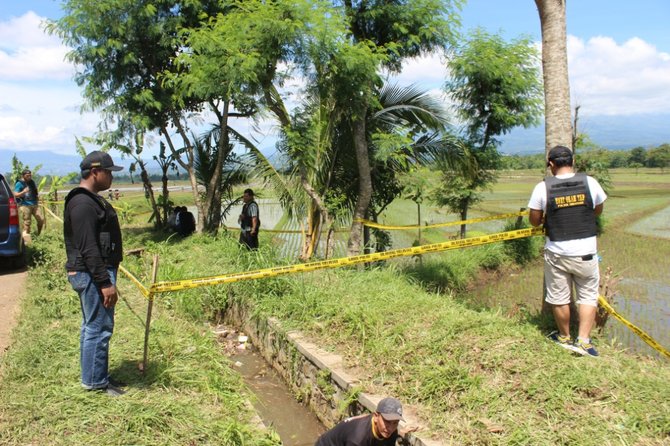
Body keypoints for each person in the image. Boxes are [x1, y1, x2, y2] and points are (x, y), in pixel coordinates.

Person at [528, 145, 607, 357]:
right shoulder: (590, 182)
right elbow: (597, 209)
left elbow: (534, 221)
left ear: (551, 164)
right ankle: (583, 341)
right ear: (572, 161)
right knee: (588, 296)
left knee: (559, 296)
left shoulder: (543, 187)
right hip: (587, 252)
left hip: (558, 252)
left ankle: (563, 337)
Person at [63, 151, 126, 396]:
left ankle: (95, 376)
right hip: (92, 274)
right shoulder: (82, 203)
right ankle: (95, 383)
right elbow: (88, 247)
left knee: (94, 325)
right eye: (109, 172)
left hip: (95, 273)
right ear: (95, 172)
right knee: (99, 327)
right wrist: (105, 282)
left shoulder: (91, 200)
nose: (111, 177)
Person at [315, 397, 409, 446]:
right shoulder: (357, 439)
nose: (390, 428)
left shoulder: (391, 432)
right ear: (376, 416)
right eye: (387, 422)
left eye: (395, 423)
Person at [13, 169, 45, 244]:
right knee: (27, 222)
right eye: (27, 176)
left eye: (30, 175)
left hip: (35, 204)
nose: (29, 177)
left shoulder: (32, 182)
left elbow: (34, 190)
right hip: (25, 205)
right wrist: (23, 192)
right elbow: (15, 194)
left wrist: (37, 196)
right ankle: (26, 240)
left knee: (41, 220)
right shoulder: (19, 183)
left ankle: (38, 235)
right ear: (23, 175)